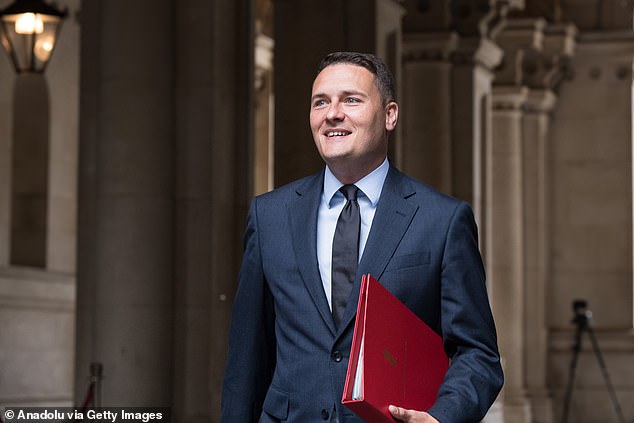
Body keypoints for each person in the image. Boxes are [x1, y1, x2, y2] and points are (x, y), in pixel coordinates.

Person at [221, 51, 503, 423]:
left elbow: (478, 353)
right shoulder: (269, 215)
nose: (332, 113)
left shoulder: (442, 220)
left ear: (390, 115)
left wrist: (441, 417)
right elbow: (247, 358)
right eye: (321, 102)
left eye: (351, 100)